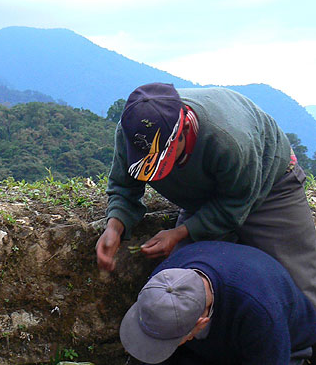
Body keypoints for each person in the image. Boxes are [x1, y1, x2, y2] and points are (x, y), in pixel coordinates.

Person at [96, 82, 316, 314]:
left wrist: (179, 233)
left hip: (268, 185)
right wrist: (114, 228)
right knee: (181, 285)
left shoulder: (229, 139)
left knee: (301, 286)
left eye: (163, 160)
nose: (156, 168)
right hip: (201, 196)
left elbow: (233, 205)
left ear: (185, 131)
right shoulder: (133, 133)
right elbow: (124, 186)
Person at [121, 241, 316, 365]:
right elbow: (161, 326)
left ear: (200, 324)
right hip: (217, 350)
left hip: (279, 350)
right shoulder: (164, 281)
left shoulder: (260, 311)